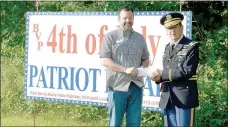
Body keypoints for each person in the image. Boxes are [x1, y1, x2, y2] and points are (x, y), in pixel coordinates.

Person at [100, 6, 149, 127]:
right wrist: (125, 70)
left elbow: (146, 59)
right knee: (115, 123)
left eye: (130, 18)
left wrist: (140, 70)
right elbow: (104, 60)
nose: (128, 20)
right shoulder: (110, 37)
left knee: (134, 123)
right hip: (117, 87)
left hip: (136, 86)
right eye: (125, 18)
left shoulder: (140, 38)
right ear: (119, 19)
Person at [150, 12, 199, 127]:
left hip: (184, 97)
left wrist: (162, 74)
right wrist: (158, 77)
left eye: (175, 27)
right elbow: (167, 72)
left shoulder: (191, 46)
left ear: (181, 27)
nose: (172, 31)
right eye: (169, 28)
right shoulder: (168, 47)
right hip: (168, 97)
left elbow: (187, 71)